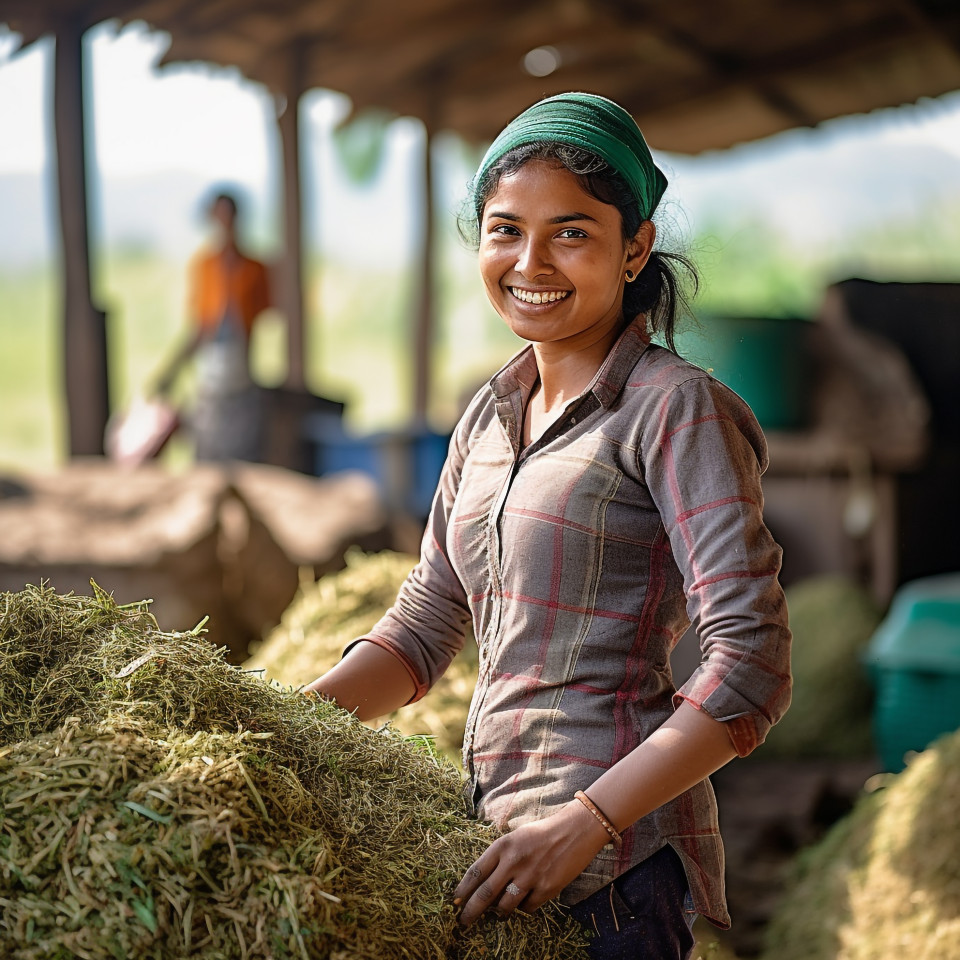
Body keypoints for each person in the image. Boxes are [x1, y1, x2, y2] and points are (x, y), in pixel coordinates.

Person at [305, 92, 791, 959]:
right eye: (504, 229)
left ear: (634, 247)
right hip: (494, 855)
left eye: (571, 232)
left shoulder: (676, 412)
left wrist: (587, 821)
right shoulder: (489, 415)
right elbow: (425, 624)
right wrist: (274, 731)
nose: (531, 260)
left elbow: (751, 663)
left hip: (612, 882)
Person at [156, 190, 271, 462]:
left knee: (242, 458)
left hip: (242, 378)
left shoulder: (254, 269)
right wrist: (171, 371)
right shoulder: (205, 267)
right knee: (208, 456)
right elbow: (201, 327)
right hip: (210, 380)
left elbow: (259, 321)